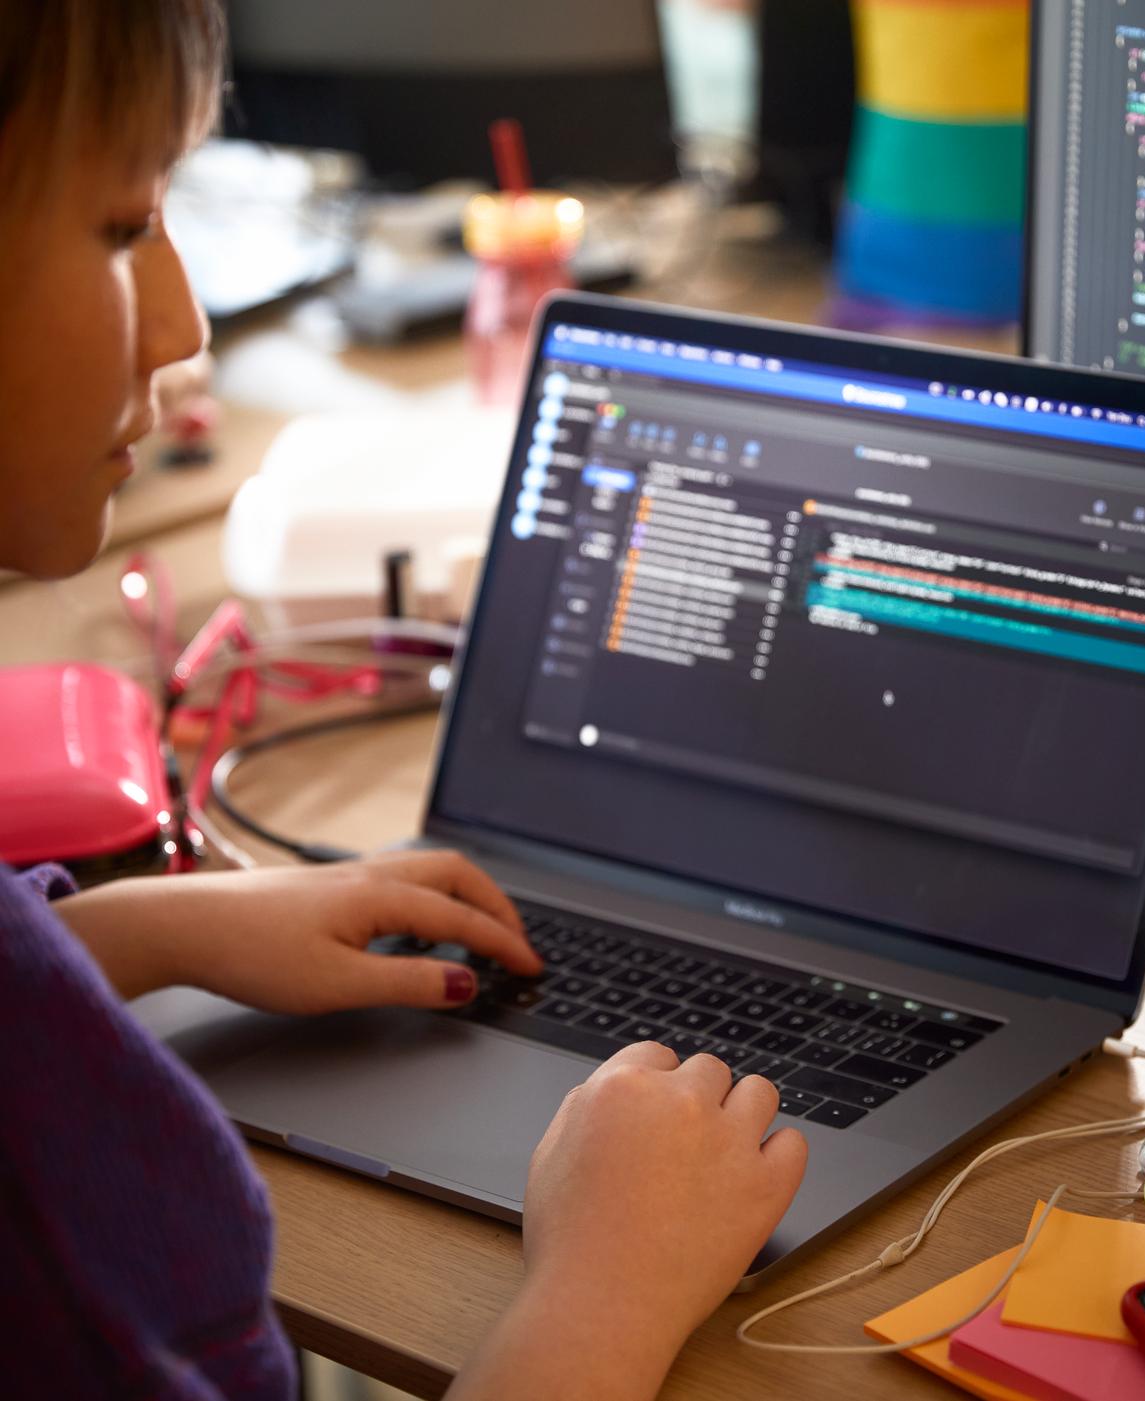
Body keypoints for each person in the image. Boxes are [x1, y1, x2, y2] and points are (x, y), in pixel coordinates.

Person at [0, 3, 808, 1397]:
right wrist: (606, 1287)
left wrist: (126, 933)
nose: (182, 324)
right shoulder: (47, 1217)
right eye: (124, 227)